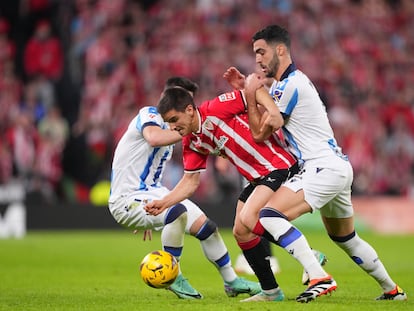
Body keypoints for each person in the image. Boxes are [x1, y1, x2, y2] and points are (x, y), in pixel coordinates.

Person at [238, 24, 407, 302]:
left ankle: (318, 276)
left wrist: (250, 94)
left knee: (268, 215)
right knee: (346, 238)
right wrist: (254, 93)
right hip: (338, 167)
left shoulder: (290, 85)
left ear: (280, 50)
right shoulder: (289, 83)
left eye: (261, 51)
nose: (257, 59)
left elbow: (260, 133)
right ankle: (393, 291)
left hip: (321, 168)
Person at [145, 78, 330, 302]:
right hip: (257, 178)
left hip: (277, 165)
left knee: (249, 217)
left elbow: (254, 92)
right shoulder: (191, 142)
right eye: (169, 123)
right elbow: (190, 182)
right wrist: (163, 203)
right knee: (241, 231)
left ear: (190, 110)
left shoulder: (215, 108)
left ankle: (310, 257)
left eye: (175, 120)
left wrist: (273, 112)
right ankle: (271, 292)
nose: (173, 128)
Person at [108, 77, 261, 300]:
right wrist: (188, 131)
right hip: (125, 199)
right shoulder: (149, 115)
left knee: (206, 227)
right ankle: (173, 275)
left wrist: (152, 211)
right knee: (176, 212)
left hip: (150, 193)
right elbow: (152, 138)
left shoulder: (176, 128)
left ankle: (232, 282)